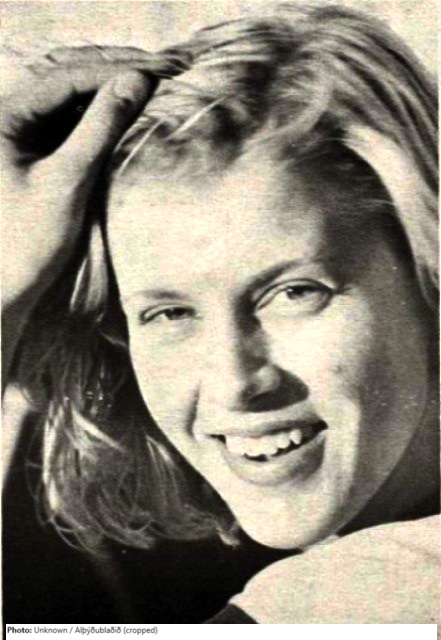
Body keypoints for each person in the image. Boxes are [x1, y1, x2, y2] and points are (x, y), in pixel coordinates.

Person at [2, 4, 439, 624]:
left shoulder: (349, 600)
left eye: (295, 293)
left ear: (429, 275)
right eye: (169, 313)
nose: (233, 381)